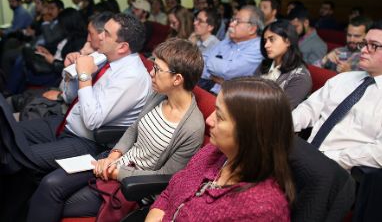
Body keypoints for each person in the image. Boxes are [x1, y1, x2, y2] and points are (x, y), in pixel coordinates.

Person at [27, 38, 205, 222]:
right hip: (113, 162)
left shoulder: (192, 128)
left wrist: (116, 172)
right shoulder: (159, 95)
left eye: (157, 69)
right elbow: (133, 129)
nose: (151, 73)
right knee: (50, 184)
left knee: (57, 199)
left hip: (132, 185)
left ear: (177, 79)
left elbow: (165, 176)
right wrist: (113, 156)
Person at [0, 13, 152, 176]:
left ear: (122, 47)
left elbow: (92, 120)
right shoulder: (105, 57)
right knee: (7, 134)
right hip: (67, 123)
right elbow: (71, 97)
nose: (99, 36)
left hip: (87, 141)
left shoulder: (132, 77)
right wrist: (71, 72)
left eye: (106, 34)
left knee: (14, 158)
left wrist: (84, 76)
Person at [146, 77, 295, 221]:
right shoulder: (214, 151)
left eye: (220, 116)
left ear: (249, 133)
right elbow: (172, 189)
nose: (209, 120)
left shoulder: (263, 210)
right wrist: (154, 214)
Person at [292, 18, 382, 170]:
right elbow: (309, 109)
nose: (362, 50)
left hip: (341, 171)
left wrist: (329, 159)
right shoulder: (344, 79)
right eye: (364, 44)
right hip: (305, 154)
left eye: (374, 46)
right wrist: (283, 127)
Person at [199, 5, 264, 94]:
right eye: (233, 20)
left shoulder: (258, 47)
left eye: (237, 21)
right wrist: (213, 76)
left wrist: (210, 63)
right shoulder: (227, 41)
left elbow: (229, 70)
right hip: (211, 90)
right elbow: (199, 62)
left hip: (235, 99)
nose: (231, 24)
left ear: (252, 29)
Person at [261, 20, 312, 109]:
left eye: (272, 39)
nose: (266, 45)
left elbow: (279, 110)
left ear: (288, 41)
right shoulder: (266, 64)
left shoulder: (300, 77)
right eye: (265, 41)